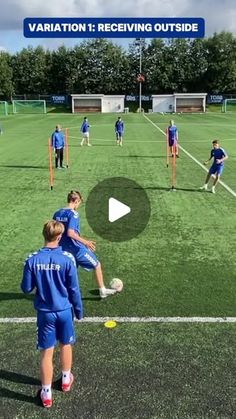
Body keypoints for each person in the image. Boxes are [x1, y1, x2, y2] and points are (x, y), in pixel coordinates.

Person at [21, 220, 83, 408]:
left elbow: (25, 288)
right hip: (64, 311)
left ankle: (46, 393)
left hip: (45, 313)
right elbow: (74, 289)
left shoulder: (32, 259)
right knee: (66, 344)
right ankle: (65, 380)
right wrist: (78, 310)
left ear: (44, 234)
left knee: (46, 353)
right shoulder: (67, 258)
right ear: (59, 236)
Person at [53, 191, 117, 299]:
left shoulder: (57, 213)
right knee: (96, 264)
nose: (78, 205)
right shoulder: (74, 214)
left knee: (71, 270)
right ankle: (102, 290)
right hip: (76, 249)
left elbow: (54, 231)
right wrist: (86, 242)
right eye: (79, 203)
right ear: (76, 201)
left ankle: (61, 292)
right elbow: (71, 233)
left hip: (63, 249)